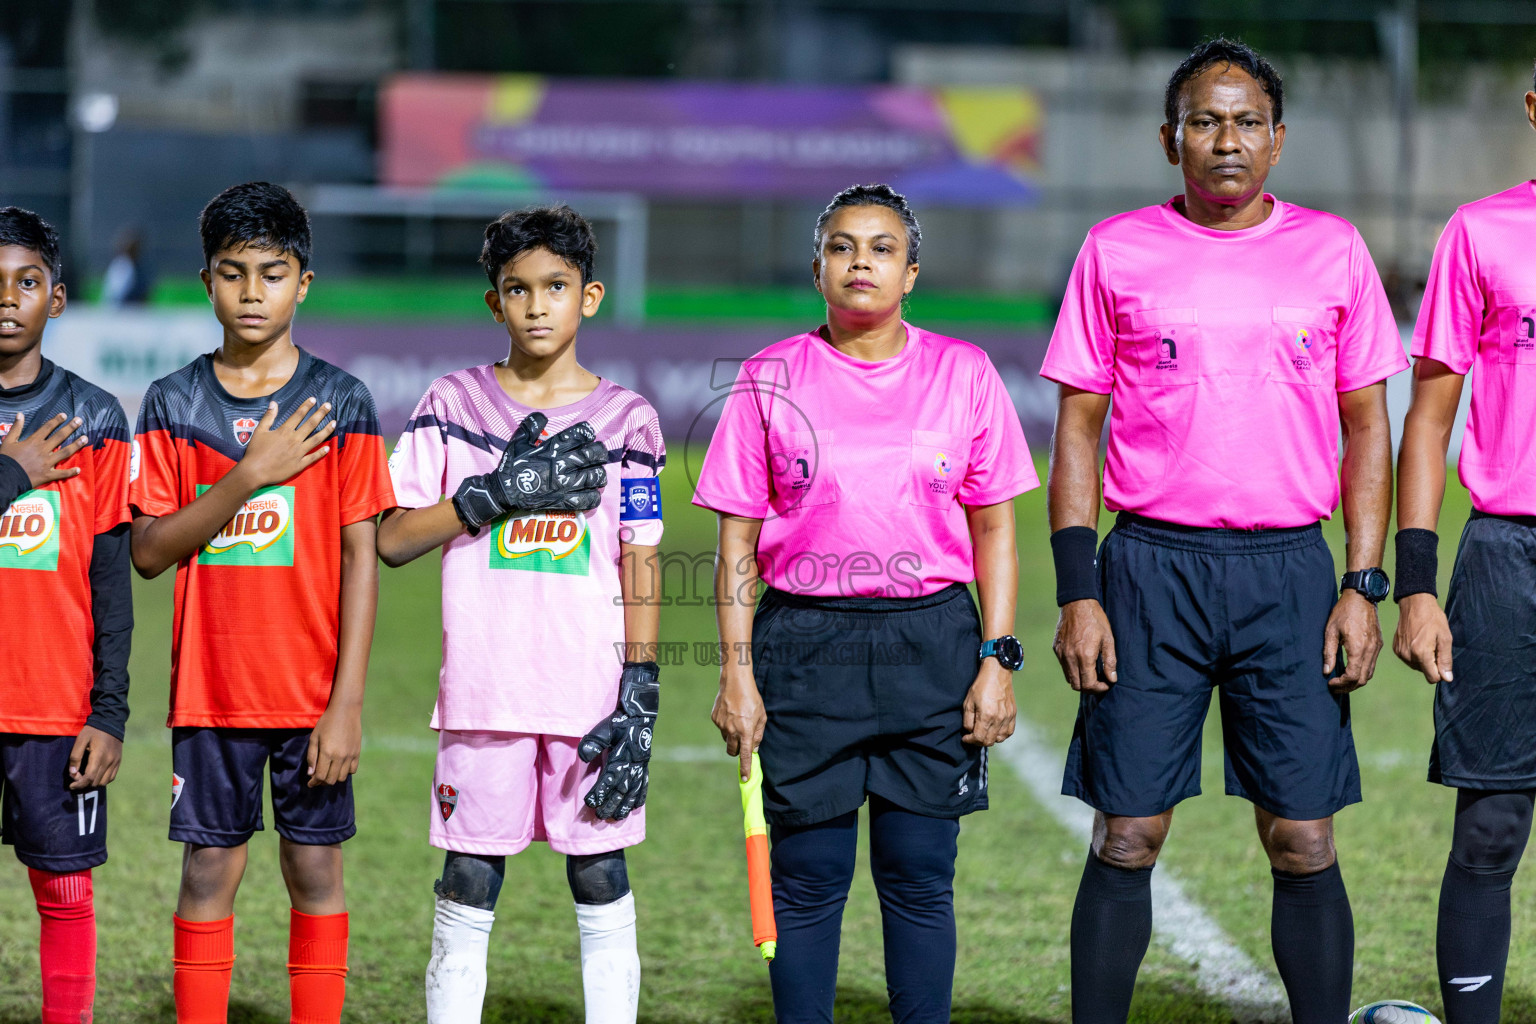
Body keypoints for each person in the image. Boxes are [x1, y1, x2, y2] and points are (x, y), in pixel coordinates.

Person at [1041, 39, 1406, 1024]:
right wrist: (1080, 589)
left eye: (1247, 122)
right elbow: (1077, 426)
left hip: (1290, 569)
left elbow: (1370, 425)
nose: (1226, 139)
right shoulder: (1116, 249)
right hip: (1149, 567)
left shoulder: (1332, 252)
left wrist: (1362, 585)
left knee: (1303, 839)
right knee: (1128, 833)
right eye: (1205, 120)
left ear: (1279, 142)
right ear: (1171, 140)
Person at [699, 183, 1037, 1024]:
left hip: (932, 642)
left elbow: (996, 531)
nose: (861, 262)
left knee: (920, 876)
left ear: (911, 271)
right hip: (805, 647)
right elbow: (737, 547)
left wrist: (997, 660)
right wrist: (737, 676)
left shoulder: (963, 372)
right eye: (842, 246)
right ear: (817, 267)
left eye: (882, 248)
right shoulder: (768, 376)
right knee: (809, 882)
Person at [376, 204, 660, 1024]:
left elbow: (639, 559)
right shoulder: (452, 403)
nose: (538, 305)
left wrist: (639, 691)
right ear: (494, 302)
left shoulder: (628, 420)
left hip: (591, 699)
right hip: (484, 695)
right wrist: (490, 495)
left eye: (556, 287)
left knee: (601, 874)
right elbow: (394, 539)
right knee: (469, 878)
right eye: (518, 289)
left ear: (591, 296)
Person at [128, 182, 396, 1024]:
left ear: (303, 283)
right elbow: (147, 551)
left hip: (311, 696)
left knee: (315, 873)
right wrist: (248, 476)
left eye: (272, 274)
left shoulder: (342, 402)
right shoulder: (173, 403)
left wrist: (345, 704)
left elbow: (363, 559)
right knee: (208, 872)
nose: (252, 293)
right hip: (211, 695)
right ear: (206, 280)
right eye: (234, 274)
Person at [1392, 71, 1536, 1024]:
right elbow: (1429, 421)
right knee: (1490, 826)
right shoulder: (1481, 232)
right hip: (1504, 562)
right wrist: (1415, 585)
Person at [0, 207, 132, 1024]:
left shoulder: (95, 419)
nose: (7, 299)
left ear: (58, 298)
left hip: (53, 707)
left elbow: (110, 581)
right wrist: (11, 469)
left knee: (64, 891)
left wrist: (109, 711)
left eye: (27, 281)